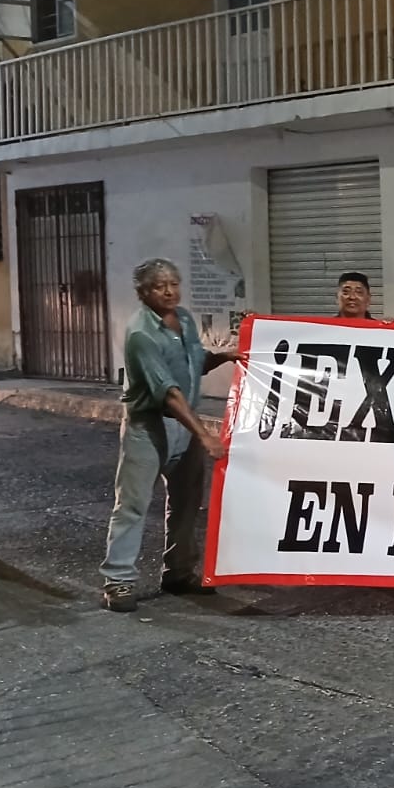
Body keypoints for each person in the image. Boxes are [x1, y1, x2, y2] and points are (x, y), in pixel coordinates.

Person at [100, 258, 237, 613]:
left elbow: (195, 361)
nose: (169, 291)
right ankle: (118, 580)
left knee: (187, 504)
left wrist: (226, 356)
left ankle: (178, 572)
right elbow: (168, 391)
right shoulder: (141, 332)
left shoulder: (186, 320)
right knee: (132, 505)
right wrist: (204, 434)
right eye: (159, 285)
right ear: (143, 292)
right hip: (149, 426)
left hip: (183, 426)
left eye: (173, 283)